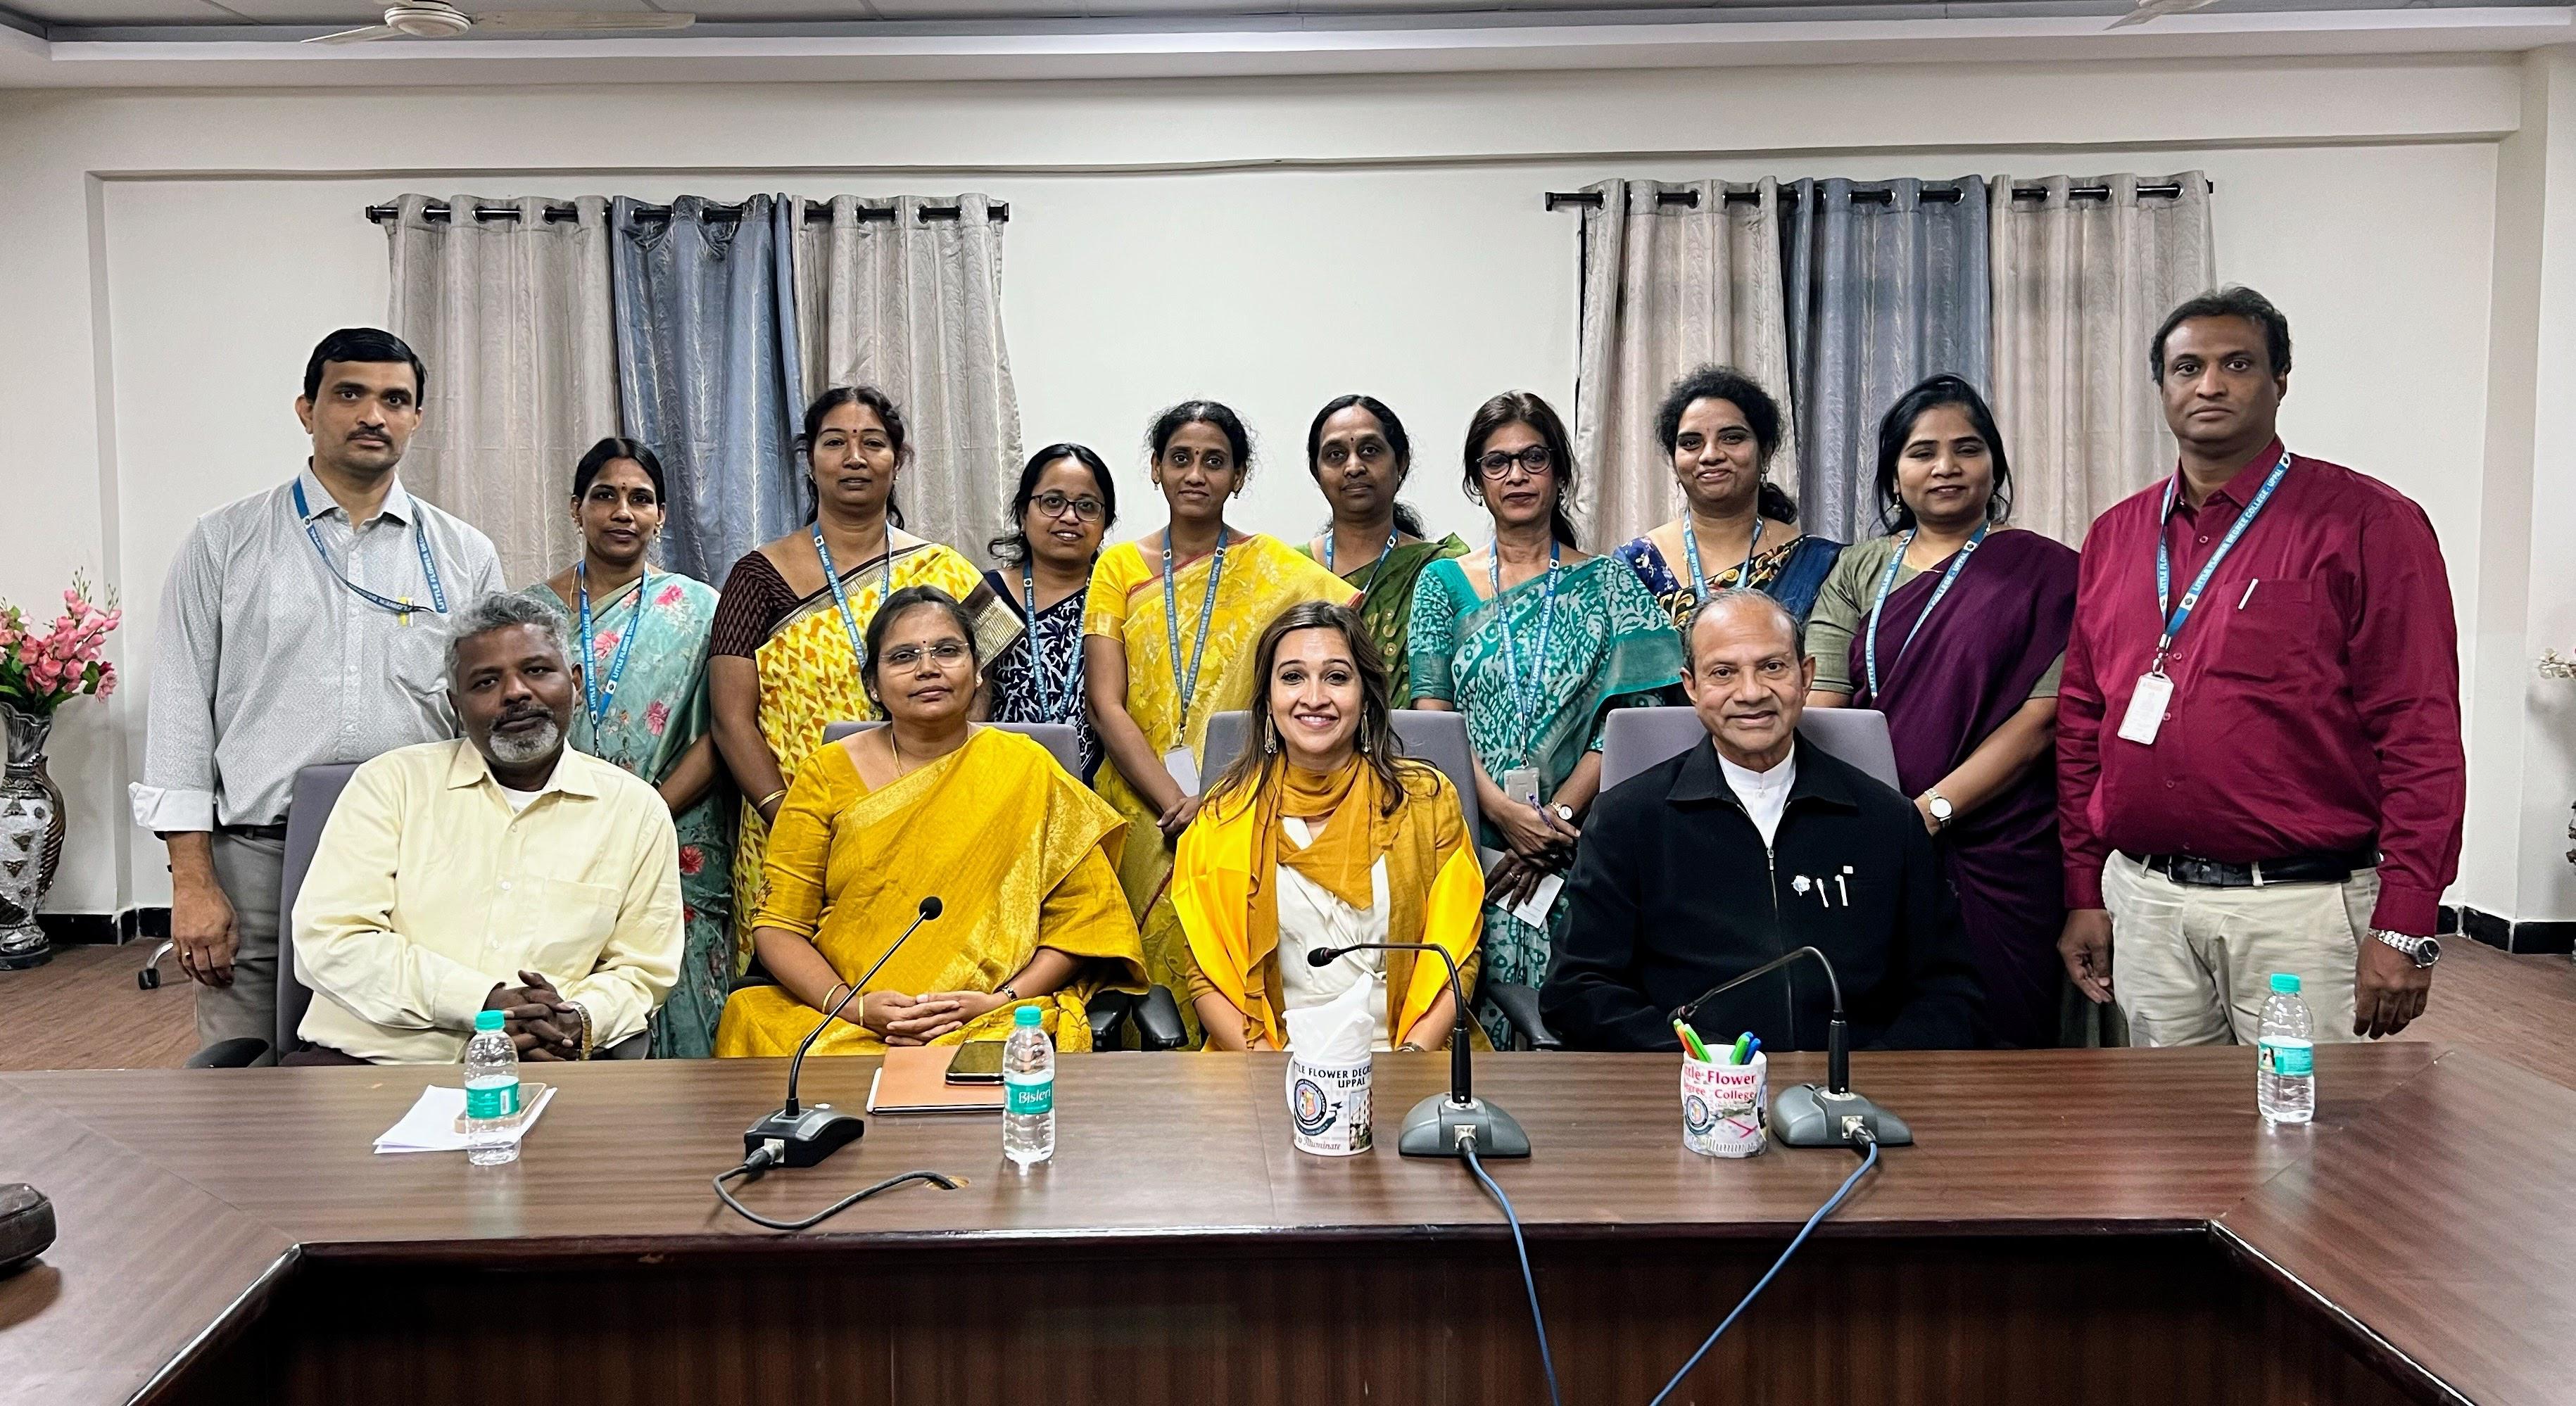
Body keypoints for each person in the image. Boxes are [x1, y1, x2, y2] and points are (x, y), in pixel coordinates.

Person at [2057, 287, 2462, 1046]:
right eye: (2188, 367)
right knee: (2169, 1148)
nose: (2210, 385)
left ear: (2281, 380)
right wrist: (2087, 887)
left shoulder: (2369, 524)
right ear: (2163, 388)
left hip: (2301, 911)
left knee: (2315, 1148)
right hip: (2146, 902)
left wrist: (2406, 922)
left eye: (2237, 364)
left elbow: (2421, 729)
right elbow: (2084, 721)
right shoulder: (2116, 535)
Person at [132, 327, 505, 1055]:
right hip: (257, 863)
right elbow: (180, 718)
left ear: (417, 419)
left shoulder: (464, 555)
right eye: (350, 394)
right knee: (241, 1071)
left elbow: (485, 716)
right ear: (307, 409)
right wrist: (193, 882)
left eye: (396, 399)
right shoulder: (225, 542)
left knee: (389, 1062)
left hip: (412, 862)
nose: (374, 415)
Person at [1543, 590, 1983, 1053]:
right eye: (1723, 673)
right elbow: (1578, 989)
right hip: (1691, 1092)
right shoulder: (1628, 819)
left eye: (1773, 667)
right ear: (1691, 686)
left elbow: (1950, 992)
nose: (1751, 693)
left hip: (1855, 1099)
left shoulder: (1889, 821)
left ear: (1806, 675)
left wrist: (1867, 1076)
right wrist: (1702, 1061)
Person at [715, 588, 1147, 1056]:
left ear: (977, 669)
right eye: (903, 656)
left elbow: (1084, 920)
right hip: (850, 1019)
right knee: (754, 1019)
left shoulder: (1026, 767)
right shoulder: (827, 773)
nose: (928, 668)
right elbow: (779, 926)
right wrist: (852, 1006)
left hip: (990, 1018)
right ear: (874, 685)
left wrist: (999, 1001)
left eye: (947, 651)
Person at [288, 593, 682, 1065]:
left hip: (548, 1067)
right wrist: (482, 1002)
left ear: (575, 683)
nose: (515, 692)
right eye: (486, 681)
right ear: (457, 704)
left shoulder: (635, 811)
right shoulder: (390, 784)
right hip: (370, 1069)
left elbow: (641, 971)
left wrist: (576, 1019)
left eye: (536, 671)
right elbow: (332, 940)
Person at [1805, 376, 2078, 1049]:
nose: (1947, 467)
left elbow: (2042, 719)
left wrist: (1929, 814)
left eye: (1968, 449)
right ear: (1894, 476)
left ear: (1995, 465)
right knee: (1879, 1032)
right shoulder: (1856, 569)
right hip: (1867, 842)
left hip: (2001, 848)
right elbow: (1820, 702)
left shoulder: (2050, 571)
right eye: (1923, 452)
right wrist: (1867, 822)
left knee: (2002, 1042)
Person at [710, 386, 1021, 968]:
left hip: (929, 830)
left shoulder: (942, 568)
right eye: (835, 443)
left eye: (873, 443)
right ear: (810, 459)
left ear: (897, 459)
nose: (854, 457)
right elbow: (731, 720)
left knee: (926, 979)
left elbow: (980, 689)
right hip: (792, 833)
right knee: (795, 993)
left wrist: (937, 800)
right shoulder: (755, 577)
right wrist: (794, 819)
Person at [1410, 391, 1684, 1048]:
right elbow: (1432, 716)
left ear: (1559, 469)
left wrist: (1555, 821)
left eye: (1533, 458)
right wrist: (1503, 816)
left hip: (1582, 846)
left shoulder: (1610, 582)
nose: (1517, 475)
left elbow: (1633, 714)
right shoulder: (1441, 583)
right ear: (1477, 481)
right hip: (1470, 839)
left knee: (1575, 1016)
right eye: (1497, 462)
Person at [1084, 400, 1357, 1044]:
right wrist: (1176, 798)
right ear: (1156, 469)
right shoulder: (1118, 567)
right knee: (1137, 987)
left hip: (1237, 801)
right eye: (1180, 459)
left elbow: (1326, 664)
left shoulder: (1277, 570)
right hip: (1137, 808)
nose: (1196, 474)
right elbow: (1106, 703)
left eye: (1215, 461)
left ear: (1238, 477)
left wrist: (1217, 798)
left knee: (1223, 960)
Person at [1173, 602, 1486, 1053]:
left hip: (1408, 1058)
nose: (1314, 698)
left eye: (1336, 677)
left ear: (1365, 697)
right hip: (1269, 1061)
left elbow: (1459, 954)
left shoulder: (1426, 800)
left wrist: (1410, 1061)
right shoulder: (1223, 814)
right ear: (1267, 700)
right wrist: (1271, 1071)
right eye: (1293, 677)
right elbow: (1205, 972)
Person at [517, 438, 732, 1058]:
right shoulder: (531, 614)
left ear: (661, 514)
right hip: (561, 829)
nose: (622, 512)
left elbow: (723, 729)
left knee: (679, 989)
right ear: (576, 508)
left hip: (675, 829)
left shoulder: (698, 608)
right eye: (605, 496)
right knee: (569, 991)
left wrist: (645, 812)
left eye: (640, 499)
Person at [1614, 365, 1844, 628]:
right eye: (1691, 443)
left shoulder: (1820, 563)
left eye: (1732, 438)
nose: (1710, 455)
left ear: (1766, 453)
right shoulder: (1635, 566)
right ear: (1675, 462)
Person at [1294, 395, 1468, 707]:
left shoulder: (1442, 569)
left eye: (1370, 451)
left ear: (1400, 463)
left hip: (1412, 751)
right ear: (1317, 472)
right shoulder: (1290, 570)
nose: (1353, 466)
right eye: (1335, 455)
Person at [984, 443, 1117, 780]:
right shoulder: (984, 595)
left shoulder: (1121, 598)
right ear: (1022, 514)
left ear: (1105, 523)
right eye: (1053, 502)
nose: (1070, 517)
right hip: (1001, 784)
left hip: (1102, 795)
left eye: (1087, 506)